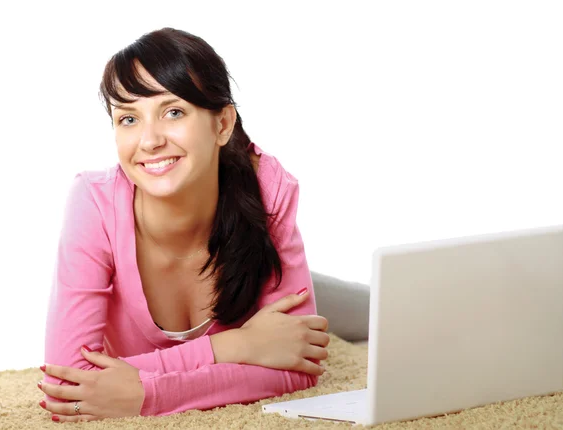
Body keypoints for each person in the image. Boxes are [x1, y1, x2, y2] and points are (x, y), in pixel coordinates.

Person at [38, 27, 369, 423]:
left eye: (173, 111)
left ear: (222, 124)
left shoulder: (267, 189)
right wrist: (235, 345)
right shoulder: (92, 201)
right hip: (253, 321)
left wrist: (148, 394)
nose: (149, 141)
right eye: (128, 118)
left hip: (255, 271)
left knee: (379, 308)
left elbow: (298, 368)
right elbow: (68, 385)